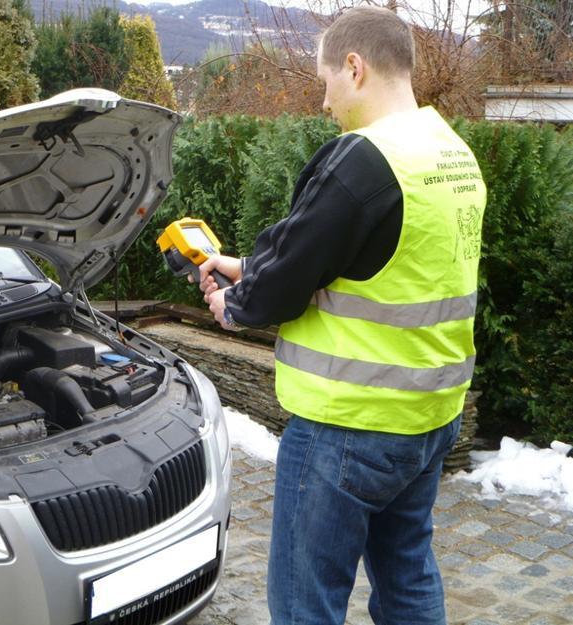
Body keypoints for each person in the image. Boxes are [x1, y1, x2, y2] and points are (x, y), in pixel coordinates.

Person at [196, 6, 487, 625]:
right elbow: (364, 260)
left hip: (348, 426)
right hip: (428, 419)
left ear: (354, 68)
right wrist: (246, 265)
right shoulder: (452, 153)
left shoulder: (363, 159)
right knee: (408, 575)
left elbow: (294, 277)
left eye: (326, 80)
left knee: (308, 601)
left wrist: (234, 302)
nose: (324, 101)